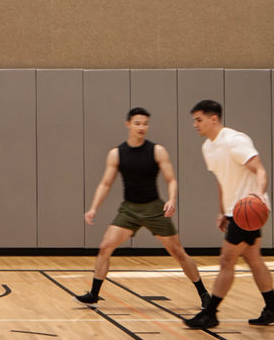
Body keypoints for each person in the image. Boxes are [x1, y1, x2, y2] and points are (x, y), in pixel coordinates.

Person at [75, 108, 210, 309]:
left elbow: (171, 179)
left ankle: (204, 294)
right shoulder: (116, 154)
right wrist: (93, 208)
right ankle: (94, 294)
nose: (142, 127)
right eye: (137, 123)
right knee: (105, 246)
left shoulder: (157, 151)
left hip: (154, 208)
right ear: (128, 124)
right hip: (129, 210)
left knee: (178, 252)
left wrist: (172, 199)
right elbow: (105, 183)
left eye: (145, 123)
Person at [185, 99, 274, 329]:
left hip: (249, 209)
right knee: (254, 259)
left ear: (213, 119)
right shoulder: (208, 147)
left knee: (227, 259)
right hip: (233, 210)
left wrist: (259, 197)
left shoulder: (235, 140)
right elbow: (222, 180)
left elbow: (260, 169)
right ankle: (272, 308)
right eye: (194, 120)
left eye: (199, 120)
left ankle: (211, 313)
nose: (195, 125)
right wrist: (222, 210)